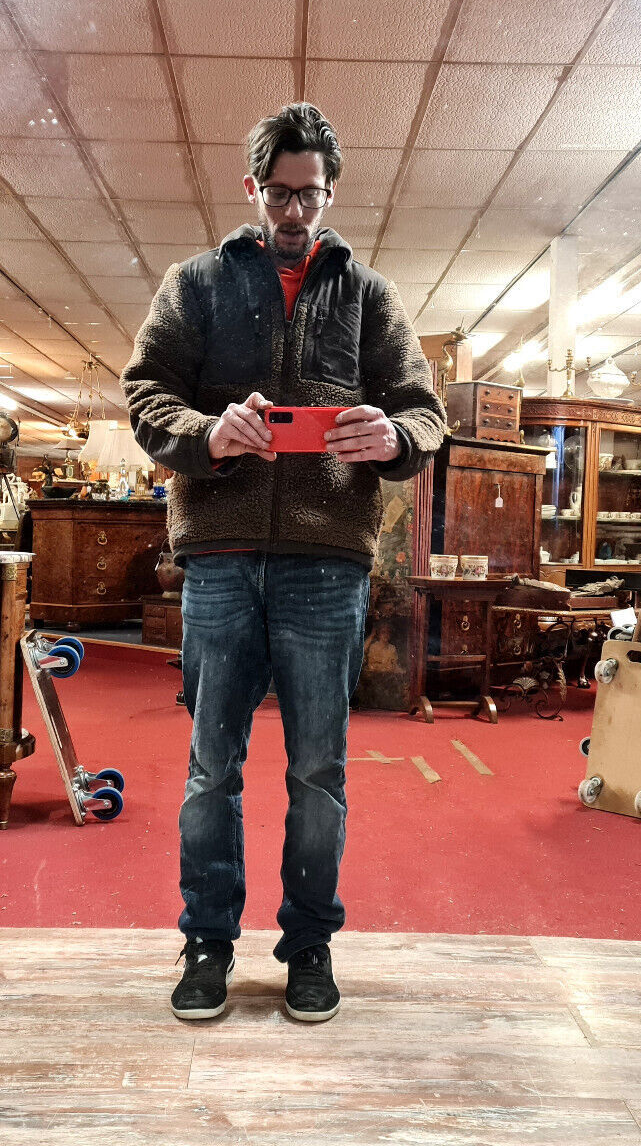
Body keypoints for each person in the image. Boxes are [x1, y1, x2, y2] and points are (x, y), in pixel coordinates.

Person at [121, 103, 446, 1023]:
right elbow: (145, 393)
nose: (296, 211)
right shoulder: (195, 284)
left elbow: (424, 411)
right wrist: (206, 432)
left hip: (325, 566)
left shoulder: (371, 297)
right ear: (253, 188)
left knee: (318, 773)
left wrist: (395, 436)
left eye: (311, 194)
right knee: (210, 769)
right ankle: (206, 942)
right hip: (220, 560)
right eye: (280, 193)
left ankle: (309, 945)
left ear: (331, 192)